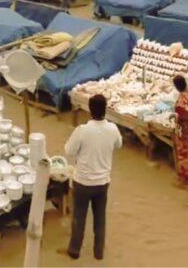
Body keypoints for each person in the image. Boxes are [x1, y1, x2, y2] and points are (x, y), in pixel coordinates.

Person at [64, 94, 122, 261]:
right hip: (102, 182)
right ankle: (98, 252)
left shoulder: (82, 131)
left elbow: (69, 151)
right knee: (100, 217)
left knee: (79, 215)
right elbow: (118, 144)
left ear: (89, 109)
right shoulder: (112, 129)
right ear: (105, 110)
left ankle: (74, 250)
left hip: (82, 182)